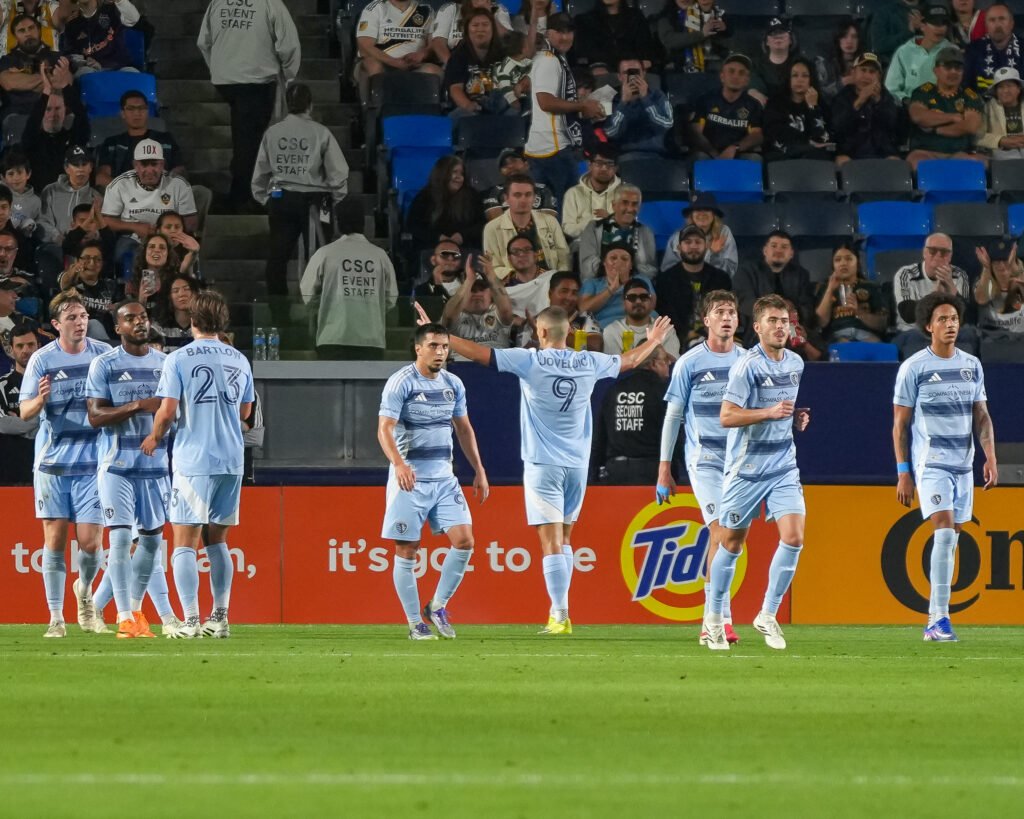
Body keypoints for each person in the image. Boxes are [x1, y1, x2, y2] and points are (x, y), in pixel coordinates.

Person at [420, 299, 673, 633]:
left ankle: (560, 614)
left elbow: (482, 355)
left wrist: (440, 337)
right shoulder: (588, 362)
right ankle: (562, 611)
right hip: (577, 466)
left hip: (543, 464)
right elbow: (627, 361)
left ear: (540, 332)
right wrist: (654, 341)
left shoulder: (530, 360)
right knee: (565, 538)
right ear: (569, 333)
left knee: (550, 541)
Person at [141, 290, 254, 639]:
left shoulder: (178, 359)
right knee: (218, 541)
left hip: (195, 459)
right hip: (232, 459)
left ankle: (190, 619)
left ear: (192, 320)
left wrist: (155, 438)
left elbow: (168, 409)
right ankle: (220, 617)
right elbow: (246, 413)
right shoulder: (239, 359)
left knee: (184, 542)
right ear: (222, 323)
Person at [704, 294, 811, 651]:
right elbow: (727, 416)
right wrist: (768, 413)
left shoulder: (796, 363)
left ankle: (767, 614)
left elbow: (783, 410)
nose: (781, 326)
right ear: (758, 327)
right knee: (731, 544)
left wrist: (795, 417)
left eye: (785, 321)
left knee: (794, 537)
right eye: (773, 321)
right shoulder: (746, 366)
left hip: (783, 465)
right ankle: (715, 618)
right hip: (746, 470)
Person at [893, 292, 997, 642]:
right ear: (928, 326)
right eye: (942, 319)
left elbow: (981, 416)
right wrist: (903, 471)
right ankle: (937, 619)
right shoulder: (914, 368)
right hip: (931, 463)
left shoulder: (972, 365)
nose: (950, 324)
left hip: (963, 466)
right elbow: (899, 424)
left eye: (953, 318)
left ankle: (937, 619)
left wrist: (990, 457)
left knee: (953, 538)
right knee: (946, 530)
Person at [377, 321, 488, 639]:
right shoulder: (401, 383)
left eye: (444, 347)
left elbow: (464, 428)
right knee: (407, 550)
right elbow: (384, 428)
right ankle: (415, 623)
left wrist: (478, 469)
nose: (440, 352)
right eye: (434, 346)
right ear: (418, 348)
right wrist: (398, 464)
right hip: (410, 479)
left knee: (465, 542)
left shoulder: (454, 383)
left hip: (444, 478)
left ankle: (436, 606)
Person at [20, 289, 111, 638]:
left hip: (93, 463)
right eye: (72, 317)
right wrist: (40, 400)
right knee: (55, 541)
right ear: (57, 324)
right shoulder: (42, 360)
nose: (80, 322)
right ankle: (56, 618)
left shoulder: (103, 356)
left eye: (84, 316)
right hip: (53, 465)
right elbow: (25, 412)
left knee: (90, 543)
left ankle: (84, 592)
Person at [656, 289, 744, 645]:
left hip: (741, 462)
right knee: (722, 531)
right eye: (719, 311)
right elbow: (673, 417)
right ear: (707, 320)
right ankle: (717, 619)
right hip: (704, 459)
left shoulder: (748, 361)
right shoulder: (689, 362)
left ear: (738, 321)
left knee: (728, 538)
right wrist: (665, 468)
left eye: (732, 312)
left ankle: (717, 617)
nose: (726, 317)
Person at [85, 300, 167, 639]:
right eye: (130, 319)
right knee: (119, 539)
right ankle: (124, 618)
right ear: (117, 328)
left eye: (143, 317)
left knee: (151, 544)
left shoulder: (167, 364)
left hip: (157, 466)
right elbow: (94, 416)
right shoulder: (104, 365)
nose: (139, 323)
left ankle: (130, 610)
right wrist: (138, 406)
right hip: (117, 466)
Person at [252, 82, 350, 306]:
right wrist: (334, 199)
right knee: (320, 258)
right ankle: (318, 311)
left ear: (287, 105)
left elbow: (260, 173)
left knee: (277, 258)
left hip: (281, 197)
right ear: (310, 105)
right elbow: (339, 173)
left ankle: (279, 311)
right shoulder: (321, 133)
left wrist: (266, 199)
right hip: (319, 198)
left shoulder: (273, 133)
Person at [198, 0, 301, 212]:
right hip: (257, 80)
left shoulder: (217, 3)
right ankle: (244, 197)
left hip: (226, 81)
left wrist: (218, 69)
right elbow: (288, 45)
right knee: (250, 141)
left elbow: (203, 42)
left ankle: (243, 192)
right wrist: (289, 75)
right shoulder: (270, 4)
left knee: (245, 135)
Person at [300, 200, 398, 359]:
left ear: (337, 222)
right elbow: (391, 299)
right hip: (372, 339)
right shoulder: (380, 256)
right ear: (363, 223)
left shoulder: (325, 253)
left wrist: (325, 306)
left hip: (332, 337)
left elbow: (307, 295)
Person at [524, 13, 604, 202]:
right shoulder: (549, 60)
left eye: (569, 32)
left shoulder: (555, 59)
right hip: (553, 147)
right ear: (548, 34)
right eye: (559, 32)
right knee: (566, 212)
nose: (565, 37)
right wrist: (582, 105)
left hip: (548, 147)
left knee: (548, 210)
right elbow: (545, 101)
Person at [102, 139, 199, 268]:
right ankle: (135, 287)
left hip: (171, 238)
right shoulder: (119, 185)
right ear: (135, 165)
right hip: (133, 237)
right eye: (144, 164)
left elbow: (191, 221)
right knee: (126, 252)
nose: (149, 170)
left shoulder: (179, 185)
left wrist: (169, 232)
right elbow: (107, 220)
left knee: (186, 249)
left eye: (154, 164)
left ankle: (177, 284)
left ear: (162, 164)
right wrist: (135, 227)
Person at [593, 345, 674, 485]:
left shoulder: (614, 390)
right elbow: (674, 435)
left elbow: (599, 437)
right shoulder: (664, 392)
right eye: (666, 360)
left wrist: (593, 475)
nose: (669, 365)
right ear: (653, 363)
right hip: (652, 472)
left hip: (615, 472)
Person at [891, 232, 978, 357]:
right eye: (932, 251)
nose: (938, 256)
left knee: (969, 333)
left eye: (944, 252)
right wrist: (935, 297)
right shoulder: (906, 274)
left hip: (948, 332)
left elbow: (966, 318)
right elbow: (907, 314)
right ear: (924, 253)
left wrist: (952, 290)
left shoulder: (959, 275)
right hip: (914, 330)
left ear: (950, 256)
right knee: (914, 337)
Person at [906, 45, 985, 170]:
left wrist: (934, 129)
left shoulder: (970, 95)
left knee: (977, 163)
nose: (953, 72)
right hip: (925, 151)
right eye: (947, 67)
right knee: (917, 163)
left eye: (958, 68)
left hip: (959, 153)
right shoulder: (923, 91)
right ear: (936, 70)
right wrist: (953, 117)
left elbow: (970, 126)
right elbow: (918, 116)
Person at [733, 230, 815, 344]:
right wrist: (774, 309)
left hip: (792, 329)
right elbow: (744, 302)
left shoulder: (801, 275)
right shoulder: (747, 271)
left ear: (791, 253)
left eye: (784, 247)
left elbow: (808, 307)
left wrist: (794, 310)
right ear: (765, 250)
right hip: (757, 332)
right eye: (774, 246)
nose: (778, 250)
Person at [481, 173, 569, 278]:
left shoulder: (550, 221)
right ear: (506, 198)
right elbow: (493, 267)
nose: (523, 200)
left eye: (528, 194)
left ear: (534, 198)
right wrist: (520, 277)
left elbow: (564, 257)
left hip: (550, 283)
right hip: (514, 286)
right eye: (517, 195)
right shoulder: (492, 228)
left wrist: (558, 279)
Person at [656, 224, 730, 348]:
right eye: (688, 242)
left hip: (714, 335)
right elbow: (665, 314)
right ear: (679, 247)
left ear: (706, 246)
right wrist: (686, 334)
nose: (693, 246)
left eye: (698, 242)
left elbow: (726, 311)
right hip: (676, 338)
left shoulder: (721, 278)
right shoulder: (665, 279)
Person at [21, 56, 89, 191]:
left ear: (65, 111)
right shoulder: (32, 140)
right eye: (48, 109)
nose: (53, 114)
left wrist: (65, 85)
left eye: (58, 108)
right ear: (41, 111)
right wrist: (46, 91)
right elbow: (31, 125)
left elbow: (82, 117)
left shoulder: (74, 140)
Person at [95, 90, 186, 188]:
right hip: (125, 196)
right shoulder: (112, 143)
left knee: (200, 192)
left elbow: (180, 169)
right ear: (123, 113)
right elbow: (101, 177)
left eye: (141, 108)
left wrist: (166, 186)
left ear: (147, 111)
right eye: (131, 108)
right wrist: (129, 192)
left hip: (162, 194)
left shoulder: (165, 139)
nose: (137, 113)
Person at [355, 0, 441, 103]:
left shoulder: (426, 10)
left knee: (434, 71)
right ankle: (374, 111)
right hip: (382, 63)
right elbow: (365, 45)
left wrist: (423, 54)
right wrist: (394, 62)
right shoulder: (376, 8)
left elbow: (434, 44)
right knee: (373, 65)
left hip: (413, 66)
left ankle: (429, 114)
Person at [688, 53, 764, 161]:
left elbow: (757, 135)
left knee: (755, 159)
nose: (735, 76)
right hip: (708, 153)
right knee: (698, 158)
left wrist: (735, 148)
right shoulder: (706, 100)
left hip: (738, 154)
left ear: (747, 80)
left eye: (741, 73)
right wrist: (713, 153)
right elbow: (695, 132)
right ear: (722, 76)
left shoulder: (753, 105)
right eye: (731, 71)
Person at [441, 251, 514, 359]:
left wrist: (491, 275)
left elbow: (506, 310)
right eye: (473, 289)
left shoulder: (497, 312)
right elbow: (448, 317)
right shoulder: (456, 314)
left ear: (490, 293)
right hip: (462, 367)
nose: (477, 294)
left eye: (482, 289)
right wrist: (469, 281)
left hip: (496, 367)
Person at [831, 52, 901, 164]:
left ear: (879, 76)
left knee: (896, 163)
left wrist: (878, 102)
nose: (867, 76)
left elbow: (894, 126)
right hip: (851, 152)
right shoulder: (842, 97)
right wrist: (859, 102)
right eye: (863, 70)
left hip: (882, 152)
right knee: (842, 161)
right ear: (853, 72)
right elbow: (837, 127)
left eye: (872, 72)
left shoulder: (886, 97)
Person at [814, 240, 889, 344]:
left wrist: (859, 312)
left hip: (866, 334)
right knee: (844, 348)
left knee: (879, 349)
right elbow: (821, 323)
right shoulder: (824, 288)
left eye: (849, 259)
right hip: (836, 335)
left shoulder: (871, 287)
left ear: (857, 263)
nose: (843, 263)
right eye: (838, 260)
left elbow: (882, 324)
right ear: (833, 265)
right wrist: (829, 290)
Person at [763, 57, 834, 162]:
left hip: (813, 160)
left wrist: (813, 107)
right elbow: (776, 135)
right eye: (795, 75)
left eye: (805, 76)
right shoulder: (776, 103)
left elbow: (823, 139)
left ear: (811, 79)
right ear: (789, 79)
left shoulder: (821, 105)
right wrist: (808, 143)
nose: (799, 79)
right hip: (782, 158)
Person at [579, 184, 656, 281]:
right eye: (625, 203)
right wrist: (617, 274)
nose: (630, 209)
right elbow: (587, 268)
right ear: (614, 205)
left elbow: (651, 269)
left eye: (635, 204)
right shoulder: (594, 228)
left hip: (634, 287)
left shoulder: (645, 232)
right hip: (599, 287)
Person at [407, 155, 485, 251]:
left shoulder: (472, 196)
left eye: (462, 174)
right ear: (442, 173)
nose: (459, 177)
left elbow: (481, 224)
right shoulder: (425, 197)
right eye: (454, 172)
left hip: (464, 249)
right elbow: (414, 226)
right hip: (432, 250)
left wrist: (462, 236)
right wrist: (438, 238)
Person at [443, 8, 510, 117]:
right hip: (467, 108)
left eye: (485, 25)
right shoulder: (458, 56)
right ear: (467, 30)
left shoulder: (503, 55)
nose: (480, 29)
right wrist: (469, 106)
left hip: (499, 108)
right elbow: (455, 89)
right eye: (475, 25)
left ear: (493, 29)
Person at [602, 58, 674, 157]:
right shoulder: (611, 98)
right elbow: (611, 133)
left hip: (656, 154)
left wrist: (646, 99)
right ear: (619, 77)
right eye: (626, 73)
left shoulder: (657, 95)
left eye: (635, 72)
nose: (632, 77)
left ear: (643, 74)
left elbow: (666, 124)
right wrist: (623, 103)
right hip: (624, 156)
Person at [884, 4, 952, 104]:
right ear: (923, 26)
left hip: (943, 109)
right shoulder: (904, 51)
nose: (940, 28)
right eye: (935, 23)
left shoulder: (952, 51)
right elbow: (891, 88)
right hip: (908, 110)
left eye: (943, 23)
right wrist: (908, 102)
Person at [518, 270, 602, 350]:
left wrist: (550, 332)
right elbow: (523, 357)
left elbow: (595, 346)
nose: (569, 298)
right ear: (550, 294)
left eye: (574, 293)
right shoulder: (536, 321)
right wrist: (535, 338)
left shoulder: (584, 318)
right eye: (564, 291)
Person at [38, 144, 100, 249]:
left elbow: (102, 226)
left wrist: (95, 234)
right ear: (66, 168)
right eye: (76, 165)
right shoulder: (50, 191)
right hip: (56, 246)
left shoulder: (97, 197)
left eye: (84, 164)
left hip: (86, 246)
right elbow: (42, 221)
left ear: (91, 167)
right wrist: (58, 238)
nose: (80, 169)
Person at [572, 0, 659, 75]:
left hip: (633, 74)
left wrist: (638, 64)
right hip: (600, 77)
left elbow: (647, 52)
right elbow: (583, 55)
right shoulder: (584, 21)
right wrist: (595, 66)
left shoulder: (636, 17)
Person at [0, 318, 39, 486]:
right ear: (11, 350)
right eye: (20, 346)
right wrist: (38, 420)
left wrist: (20, 420)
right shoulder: (1, 385)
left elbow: (55, 422)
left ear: (39, 347)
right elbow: (3, 424)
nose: (26, 350)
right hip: (10, 468)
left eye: (31, 345)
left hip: (44, 465)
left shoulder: (50, 384)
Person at [579, 241, 653, 327]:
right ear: (604, 263)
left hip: (638, 323)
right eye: (613, 258)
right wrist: (611, 289)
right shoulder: (592, 283)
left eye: (624, 259)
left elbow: (650, 305)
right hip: (603, 327)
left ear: (631, 265)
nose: (618, 262)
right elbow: (583, 309)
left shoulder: (642, 280)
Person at [661, 193, 737, 276]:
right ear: (691, 215)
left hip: (715, 284)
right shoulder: (678, 237)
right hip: (684, 284)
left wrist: (715, 257)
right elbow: (667, 269)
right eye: (697, 209)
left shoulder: (724, 232)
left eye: (707, 209)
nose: (702, 213)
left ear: (714, 214)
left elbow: (730, 271)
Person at [56, 239, 119, 340]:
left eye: (97, 259)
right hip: (76, 335)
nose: (92, 263)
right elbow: (64, 282)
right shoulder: (72, 281)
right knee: (93, 324)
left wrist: (116, 309)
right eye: (86, 258)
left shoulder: (110, 285)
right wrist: (73, 272)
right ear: (77, 261)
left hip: (107, 335)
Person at [602, 277, 680, 357]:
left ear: (650, 300)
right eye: (632, 297)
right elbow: (614, 366)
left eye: (643, 297)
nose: (638, 301)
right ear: (623, 303)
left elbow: (672, 362)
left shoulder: (664, 330)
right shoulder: (612, 331)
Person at [0, 13, 58, 118]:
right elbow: (9, 83)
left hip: (53, 113)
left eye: (31, 28)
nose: (28, 33)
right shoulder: (7, 60)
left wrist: (23, 77)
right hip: (17, 115)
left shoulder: (56, 57)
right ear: (15, 36)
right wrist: (48, 76)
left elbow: (66, 81)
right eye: (21, 31)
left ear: (39, 30)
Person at [560, 145, 621, 244]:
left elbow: (630, 226)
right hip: (581, 245)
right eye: (599, 163)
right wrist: (592, 222)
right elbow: (567, 229)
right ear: (589, 165)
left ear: (616, 168)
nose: (604, 168)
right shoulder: (573, 193)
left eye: (609, 164)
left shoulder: (624, 192)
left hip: (615, 245)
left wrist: (609, 220)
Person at [62, 0, 140, 75]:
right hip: (93, 71)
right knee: (83, 73)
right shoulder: (72, 25)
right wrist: (85, 62)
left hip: (120, 68)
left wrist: (119, 1)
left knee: (134, 74)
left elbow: (133, 19)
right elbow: (72, 55)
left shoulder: (112, 9)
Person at [482, 148, 558, 222]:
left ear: (526, 164)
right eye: (504, 164)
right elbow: (497, 224)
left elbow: (548, 222)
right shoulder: (495, 192)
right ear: (501, 172)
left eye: (514, 161)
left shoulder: (543, 190)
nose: (510, 166)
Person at [656, 0, 730, 74]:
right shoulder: (666, 17)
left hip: (711, 65)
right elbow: (670, 41)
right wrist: (701, 34)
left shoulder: (711, 12)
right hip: (678, 67)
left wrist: (724, 28)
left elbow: (726, 37)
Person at [431, 0, 512, 65]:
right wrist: (452, 66)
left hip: (490, 62)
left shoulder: (499, 10)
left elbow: (507, 38)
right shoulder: (451, 9)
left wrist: (488, 13)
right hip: (454, 60)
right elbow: (438, 42)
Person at [963, 3, 1020, 95]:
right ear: (986, 25)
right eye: (992, 20)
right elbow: (966, 86)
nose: (997, 25)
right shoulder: (973, 49)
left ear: (1011, 23)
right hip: (981, 105)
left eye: (1002, 19)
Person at [973, 239, 1024, 334]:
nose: (1001, 266)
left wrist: (1017, 272)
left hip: (1019, 342)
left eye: (1005, 261)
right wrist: (986, 268)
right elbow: (981, 299)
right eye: (996, 261)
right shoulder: (983, 281)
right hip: (990, 341)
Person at [749, 16, 800, 106]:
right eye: (773, 34)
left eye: (782, 34)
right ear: (766, 42)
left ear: (791, 40)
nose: (778, 38)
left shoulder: (801, 64)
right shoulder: (755, 65)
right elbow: (751, 86)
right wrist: (753, 92)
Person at [978, 65, 1024, 159]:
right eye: (1001, 87)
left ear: (1018, 88)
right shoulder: (987, 107)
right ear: (996, 91)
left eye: (1009, 86)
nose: (1005, 91)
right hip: (999, 156)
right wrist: (1000, 140)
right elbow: (978, 137)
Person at [814, 18, 863, 103]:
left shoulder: (866, 64)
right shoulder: (825, 65)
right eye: (844, 36)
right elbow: (819, 95)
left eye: (854, 37)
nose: (849, 41)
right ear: (838, 39)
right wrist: (842, 83)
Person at [413, 239, 465, 319]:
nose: (450, 258)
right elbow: (433, 317)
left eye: (456, 255)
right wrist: (437, 283)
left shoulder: (470, 284)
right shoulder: (422, 290)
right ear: (433, 260)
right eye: (444, 254)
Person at [125, 233, 176, 313]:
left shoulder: (175, 281)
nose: (157, 250)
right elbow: (130, 315)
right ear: (144, 252)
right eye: (151, 247)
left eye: (162, 248)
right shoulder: (133, 282)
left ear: (168, 254)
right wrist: (142, 300)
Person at [151, 273, 200, 351]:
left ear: (195, 293)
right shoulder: (158, 327)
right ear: (169, 297)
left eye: (186, 289)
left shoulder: (205, 325)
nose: (181, 294)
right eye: (175, 291)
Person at [868, 0, 924, 66]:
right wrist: (908, 32)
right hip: (893, 69)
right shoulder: (884, 13)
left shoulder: (930, 11)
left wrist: (924, 29)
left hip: (926, 69)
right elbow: (878, 45)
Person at [3, 1, 70, 54]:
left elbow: (64, 15)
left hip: (50, 65)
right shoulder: (6, 5)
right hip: (9, 66)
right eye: (22, 31)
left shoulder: (51, 6)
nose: (28, 33)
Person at [3, 148, 41, 239]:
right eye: (11, 174)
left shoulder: (36, 201)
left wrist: (30, 227)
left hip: (21, 243)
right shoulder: (1, 193)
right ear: (3, 177)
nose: (16, 178)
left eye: (20, 172)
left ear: (28, 174)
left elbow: (37, 225)